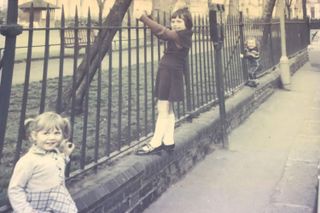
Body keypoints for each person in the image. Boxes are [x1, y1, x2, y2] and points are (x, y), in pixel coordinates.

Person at [133, 3, 193, 155]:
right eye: (173, 21)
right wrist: (149, 18)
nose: (175, 24)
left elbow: (162, 32)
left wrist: (143, 18)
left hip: (170, 73)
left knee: (162, 109)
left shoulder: (183, 35)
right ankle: (168, 141)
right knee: (168, 108)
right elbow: (160, 32)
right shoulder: (180, 34)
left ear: (187, 23)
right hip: (168, 72)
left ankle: (155, 143)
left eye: (179, 21)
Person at [8, 111, 78, 213]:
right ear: (34, 136)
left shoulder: (55, 153)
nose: (52, 137)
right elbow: (15, 189)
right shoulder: (28, 161)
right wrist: (25, 210)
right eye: (46, 133)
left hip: (57, 199)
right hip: (36, 206)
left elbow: (55, 165)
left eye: (57, 133)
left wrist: (65, 155)